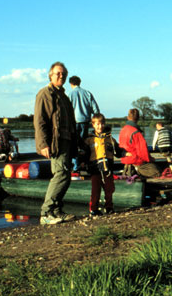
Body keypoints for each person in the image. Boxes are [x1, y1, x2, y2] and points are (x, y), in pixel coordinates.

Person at [34, 62, 77, 224]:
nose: (61, 76)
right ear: (50, 75)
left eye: (64, 74)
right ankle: (46, 213)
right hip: (55, 143)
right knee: (60, 174)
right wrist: (43, 144)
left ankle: (57, 211)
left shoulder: (63, 96)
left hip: (67, 141)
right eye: (58, 73)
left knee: (65, 175)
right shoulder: (45, 93)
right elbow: (40, 121)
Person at [79, 113, 122, 216]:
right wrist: (82, 162)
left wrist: (126, 153)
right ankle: (94, 209)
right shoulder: (89, 139)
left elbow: (119, 152)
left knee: (109, 189)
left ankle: (109, 208)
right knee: (95, 190)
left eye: (102, 124)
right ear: (93, 125)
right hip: (95, 168)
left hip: (108, 168)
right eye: (97, 124)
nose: (100, 126)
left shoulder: (110, 139)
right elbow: (84, 153)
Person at [68, 75, 100, 171]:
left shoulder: (70, 94)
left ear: (71, 83)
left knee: (74, 144)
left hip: (74, 123)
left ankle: (75, 166)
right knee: (84, 144)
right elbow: (96, 109)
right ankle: (85, 163)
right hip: (85, 122)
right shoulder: (87, 93)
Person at [119, 108, 161, 178]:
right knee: (158, 172)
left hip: (125, 160)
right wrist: (150, 159)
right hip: (136, 161)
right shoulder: (136, 132)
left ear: (128, 117)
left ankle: (134, 171)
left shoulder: (122, 130)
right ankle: (138, 171)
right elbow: (143, 152)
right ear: (138, 118)